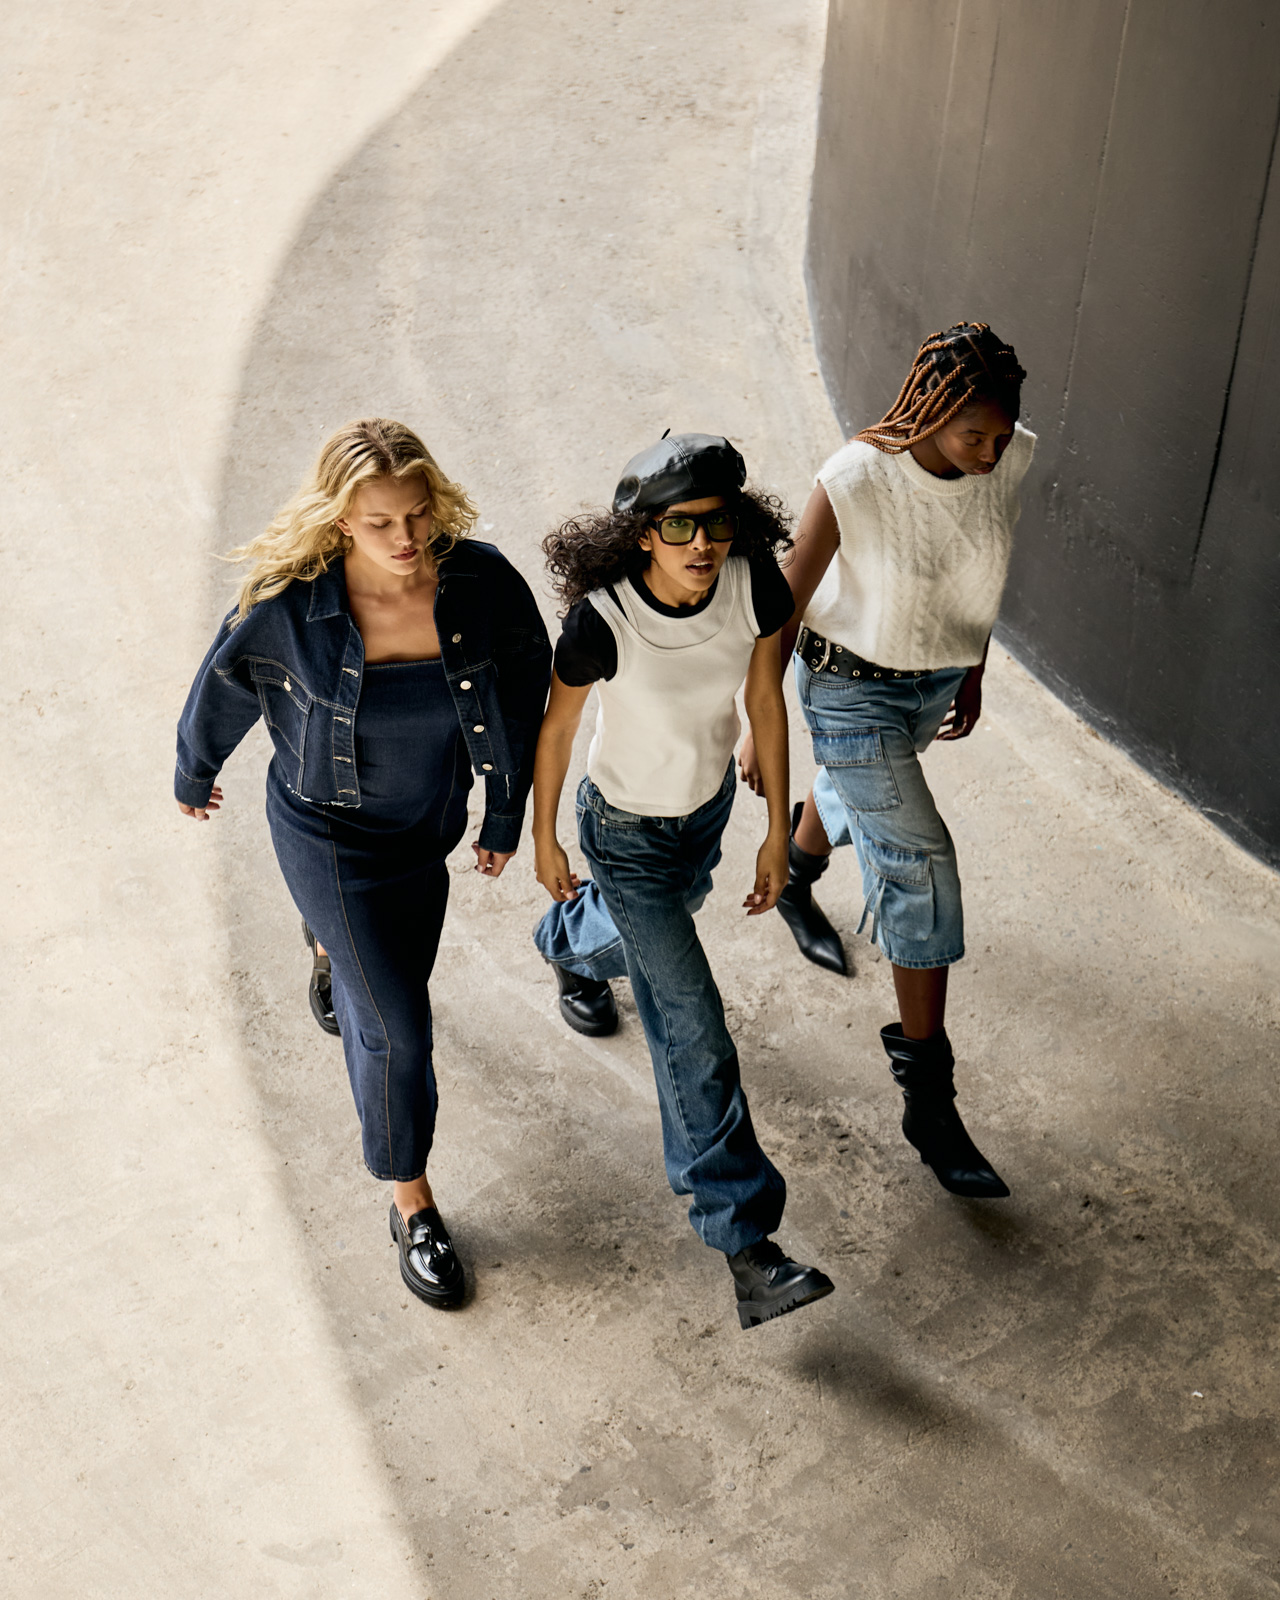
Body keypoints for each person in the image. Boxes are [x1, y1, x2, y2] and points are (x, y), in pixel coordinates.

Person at [175, 419, 551, 1308]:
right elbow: (225, 680)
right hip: (327, 833)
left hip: (428, 826)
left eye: (417, 513)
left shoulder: (481, 582)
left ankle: (326, 948)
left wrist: (504, 812)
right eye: (380, 521)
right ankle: (410, 1201)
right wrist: (195, 768)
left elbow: (523, 694)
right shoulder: (290, 602)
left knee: (381, 980)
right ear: (341, 518)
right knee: (398, 1027)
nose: (406, 536)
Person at [531, 432, 834, 1329]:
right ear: (641, 535)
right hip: (624, 834)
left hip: (702, 814)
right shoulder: (604, 622)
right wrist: (545, 838)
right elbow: (556, 731)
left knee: (651, 952)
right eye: (678, 527)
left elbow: (764, 699)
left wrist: (775, 832)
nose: (702, 543)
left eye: (717, 522)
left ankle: (565, 944)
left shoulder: (754, 584)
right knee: (692, 1024)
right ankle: (747, 1246)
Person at [740, 323, 1035, 1199]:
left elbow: (983, 564)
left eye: (1000, 436)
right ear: (931, 412)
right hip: (850, 689)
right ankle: (929, 1100)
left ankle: (797, 880)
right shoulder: (856, 479)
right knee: (918, 861)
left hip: (930, 684)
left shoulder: (1007, 461)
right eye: (972, 435)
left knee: (858, 797)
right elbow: (784, 604)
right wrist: (760, 723)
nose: (989, 454)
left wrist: (971, 666)